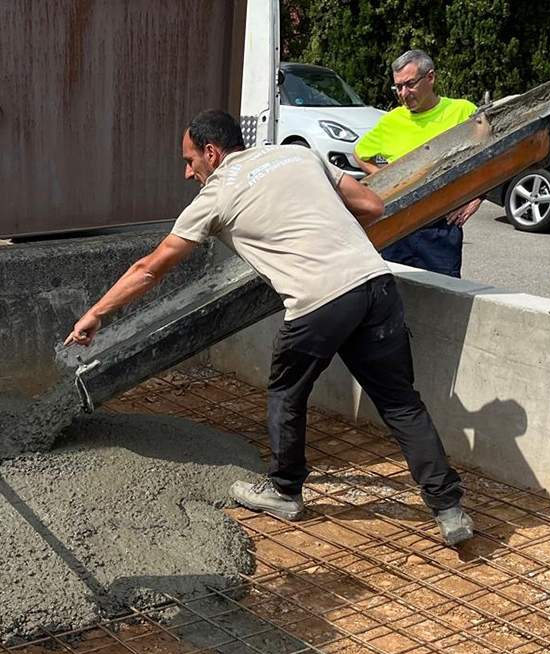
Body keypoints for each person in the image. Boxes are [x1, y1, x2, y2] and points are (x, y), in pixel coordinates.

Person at [64, 109, 472, 546]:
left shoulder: (216, 196)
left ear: (212, 152)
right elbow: (372, 205)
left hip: (317, 303)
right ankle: (449, 510)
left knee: (286, 394)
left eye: (189, 161)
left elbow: (149, 269)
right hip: (374, 284)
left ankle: (284, 491)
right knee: (400, 403)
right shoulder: (296, 155)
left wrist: (96, 314)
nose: (187, 173)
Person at [354, 50, 480, 277]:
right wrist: (389, 178)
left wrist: (477, 196)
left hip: (440, 228)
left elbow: (489, 154)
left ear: (430, 77)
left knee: (444, 297)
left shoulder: (462, 111)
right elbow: (360, 154)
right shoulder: (392, 121)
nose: (403, 93)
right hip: (396, 226)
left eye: (409, 84)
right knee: (397, 294)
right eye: (398, 87)